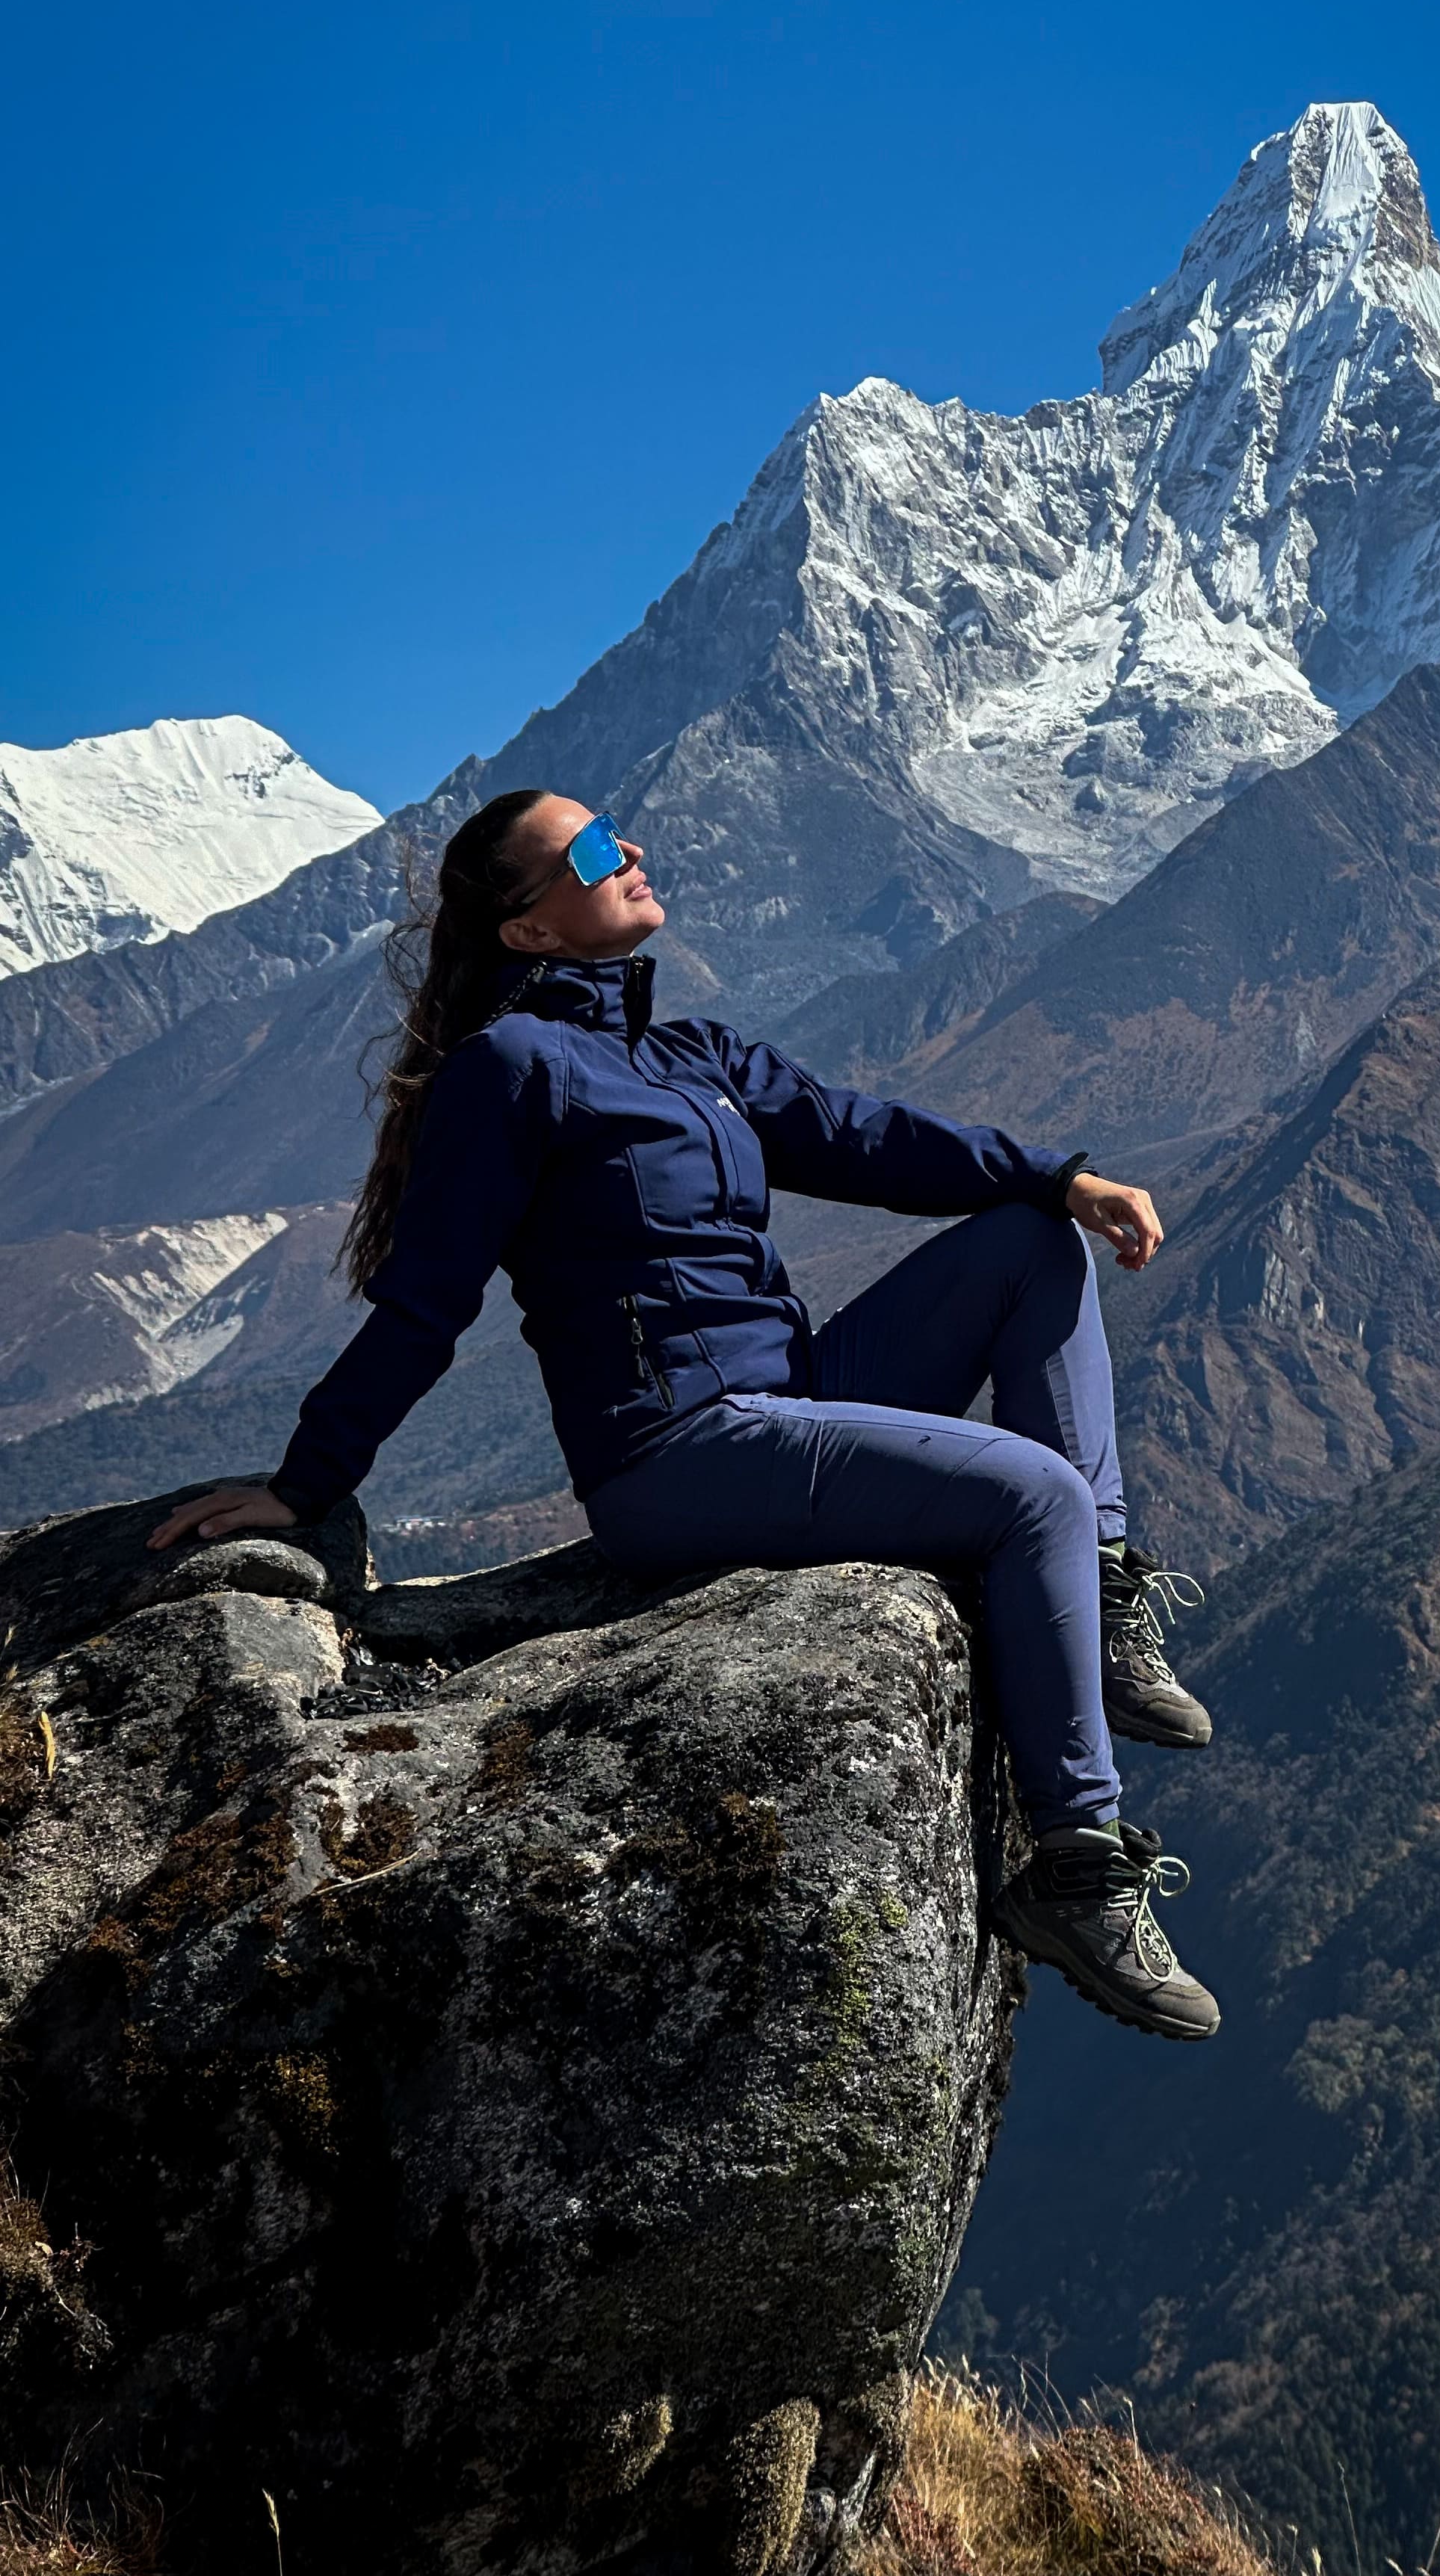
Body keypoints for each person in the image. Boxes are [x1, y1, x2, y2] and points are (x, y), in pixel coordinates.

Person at [151, 791, 1219, 2040]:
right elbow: (425, 1304)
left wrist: (1057, 1178)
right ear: (531, 932)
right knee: (1026, 1489)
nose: (633, 852)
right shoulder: (510, 1072)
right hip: (680, 1454)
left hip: (794, 1397)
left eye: (624, 833)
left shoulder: (687, 1056)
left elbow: (865, 1141)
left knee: (1035, 1246)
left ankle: (1091, 1595)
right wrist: (306, 1483)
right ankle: (1077, 1870)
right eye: (594, 852)